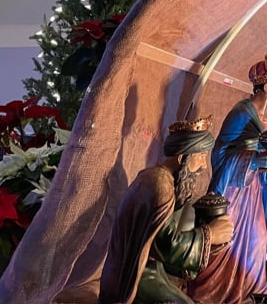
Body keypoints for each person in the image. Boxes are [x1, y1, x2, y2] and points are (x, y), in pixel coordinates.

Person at [187, 56, 267, 303]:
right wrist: (254, 161)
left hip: (255, 192)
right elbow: (220, 155)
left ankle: (254, 292)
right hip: (232, 192)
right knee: (227, 241)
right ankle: (212, 293)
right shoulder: (241, 113)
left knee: (257, 240)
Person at [98, 116, 233, 304]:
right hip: (134, 276)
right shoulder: (159, 185)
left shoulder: (164, 181)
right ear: (181, 158)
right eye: (201, 156)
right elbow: (165, 244)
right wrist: (211, 234)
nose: (203, 165)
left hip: (151, 268)